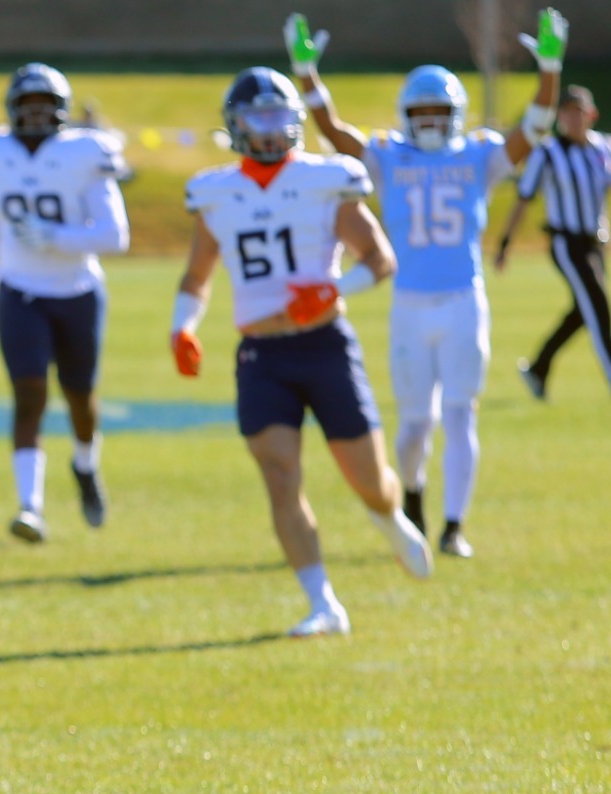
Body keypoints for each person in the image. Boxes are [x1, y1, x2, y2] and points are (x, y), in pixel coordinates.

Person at [287, 8, 566, 560]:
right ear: (407, 116)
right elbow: (334, 133)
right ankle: (413, 497)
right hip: (410, 305)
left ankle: (454, 525)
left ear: (456, 116)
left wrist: (550, 71)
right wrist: (306, 74)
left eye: (441, 111)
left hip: (463, 300)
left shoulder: (479, 155)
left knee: (461, 413)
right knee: (416, 425)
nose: (433, 121)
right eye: (423, 112)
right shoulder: (389, 157)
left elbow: (534, 128)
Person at [172, 67, 431, 638]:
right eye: (256, 118)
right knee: (279, 473)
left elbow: (380, 260)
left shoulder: (324, 180)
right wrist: (182, 327)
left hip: (324, 345)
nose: (268, 129)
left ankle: (389, 518)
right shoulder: (216, 194)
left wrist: (331, 291)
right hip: (261, 354)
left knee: (369, 480)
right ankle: (323, 604)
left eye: (277, 116)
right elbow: (196, 277)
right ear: (236, 126)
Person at [0, 63, 131, 543]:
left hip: (77, 291)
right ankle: (31, 506)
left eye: (45, 106)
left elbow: (115, 235)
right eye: (27, 106)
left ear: (62, 111)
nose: (35, 115)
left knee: (79, 397)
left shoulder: (84, 153)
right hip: (19, 291)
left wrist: (55, 237)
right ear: (11, 109)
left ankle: (85, 466)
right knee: (28, 395)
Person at [499, 83, 611, 402]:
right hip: (566, 243)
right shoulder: (548, 152)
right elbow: (523, 199)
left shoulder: (603, 148)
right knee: (599, 307)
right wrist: (505, 243)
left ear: (591, 115)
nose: (573, 119)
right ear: (559, 117)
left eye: (579, 112)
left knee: (583, 310)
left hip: (594, 243)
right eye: (567, 113)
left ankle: (538, 368)